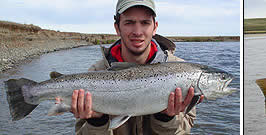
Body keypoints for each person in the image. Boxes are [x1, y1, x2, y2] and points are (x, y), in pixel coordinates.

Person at [57, 0, 203, 134]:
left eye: (145, 22)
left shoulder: (183, 73)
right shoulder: (96, 72)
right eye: (129, 22)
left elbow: (184, 132)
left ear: (155, 27)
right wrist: (96, 122)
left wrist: (165, 119)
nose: (137, 32)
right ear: (117, 27)